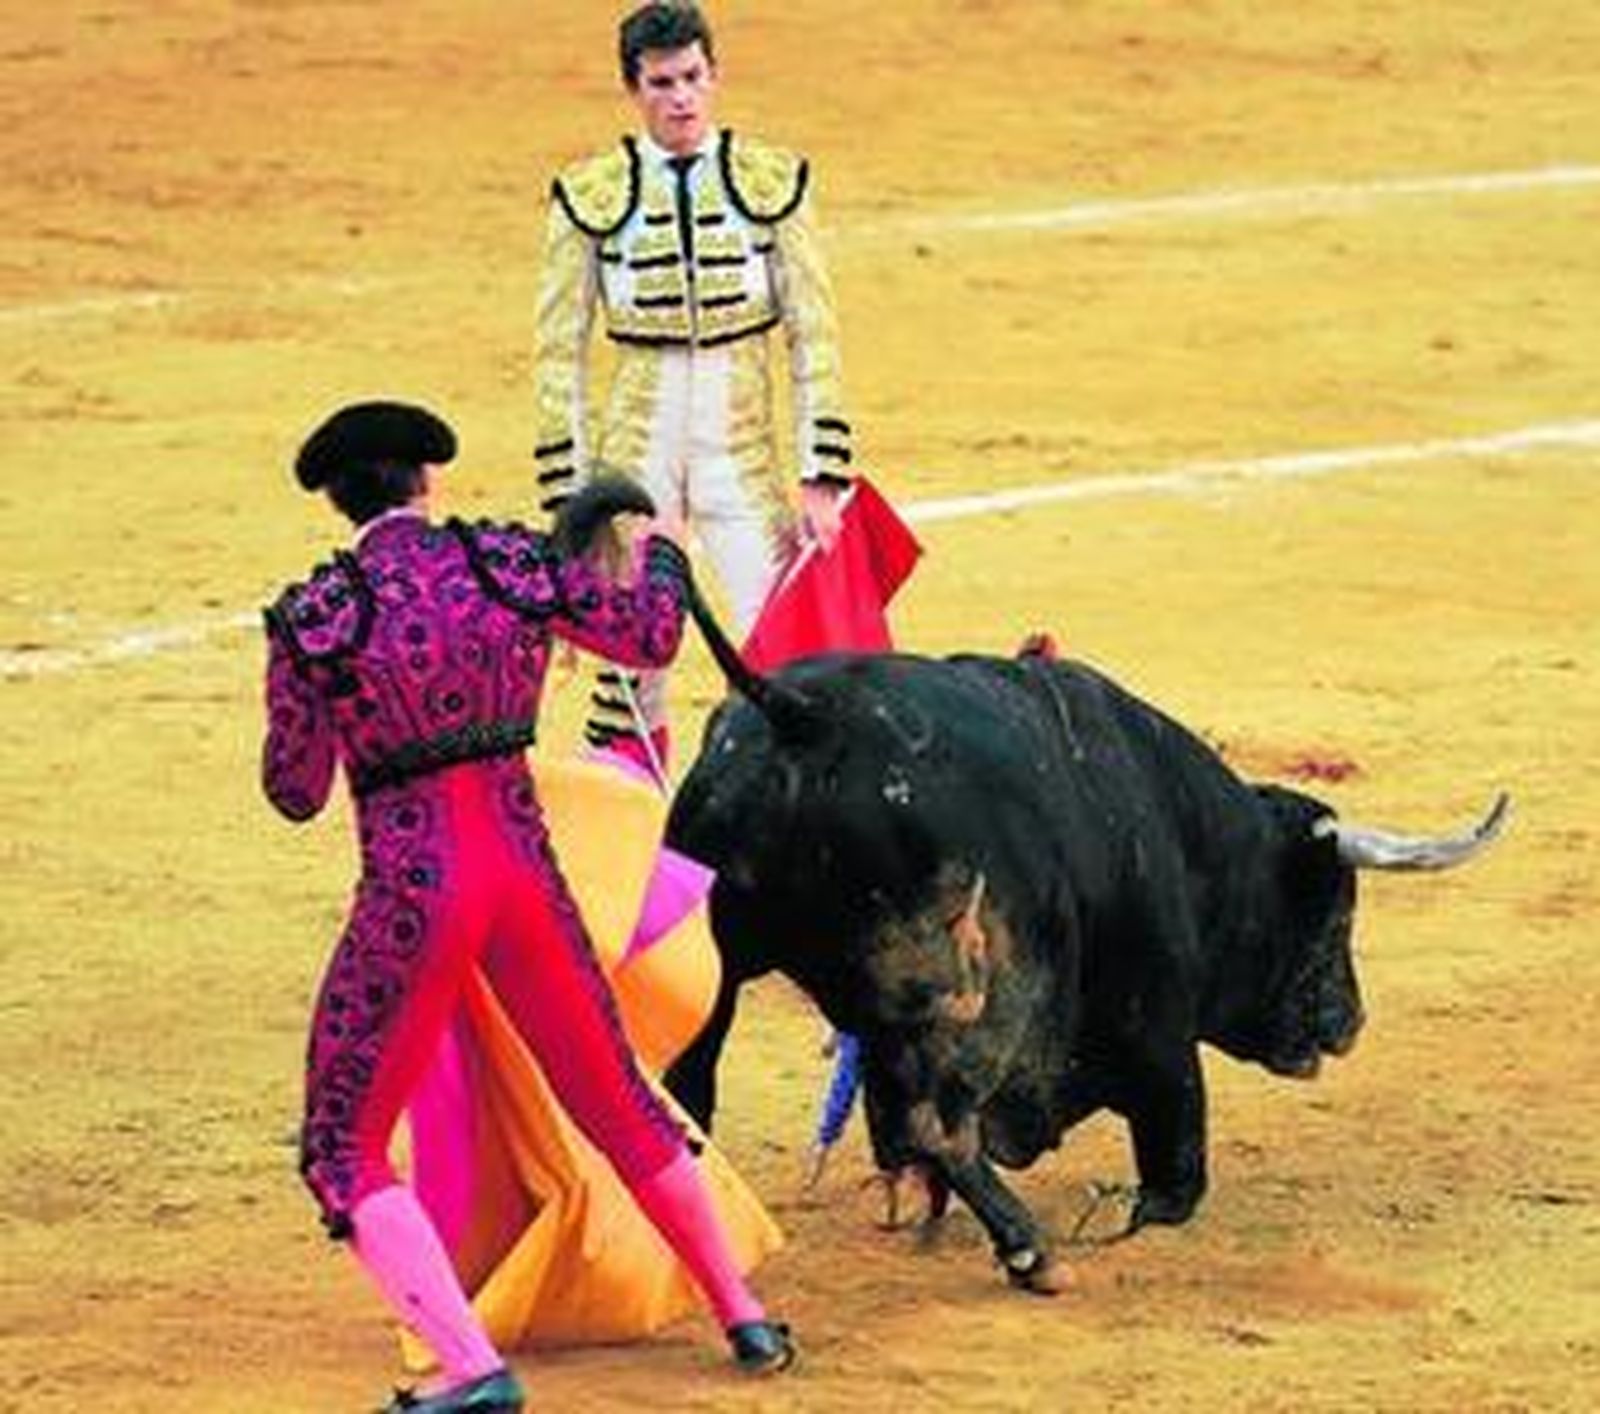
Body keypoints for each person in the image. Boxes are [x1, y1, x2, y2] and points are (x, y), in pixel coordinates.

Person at [260, 400, 796, 1414]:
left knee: (341, 1146)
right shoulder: (504, 561)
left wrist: (326, 696)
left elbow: (293, 790)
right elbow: (650, 636)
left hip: (413, 898)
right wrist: (663, 549)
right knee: (615, 1097)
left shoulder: (316, 617)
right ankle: (743, 1313)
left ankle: (473, 1368)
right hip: (524, 880)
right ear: (427, 481)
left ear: (337, 501)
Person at [533, 0, 853, 776]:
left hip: (740, 447)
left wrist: (821, 474)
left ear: (714, 76)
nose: (680, 97)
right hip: (635, 451)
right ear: (633, 89)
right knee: (628, 663)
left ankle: (792, 813)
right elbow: (557, 351)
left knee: (780, 645)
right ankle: (636, 827)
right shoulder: (588, 196)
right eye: (661, 83)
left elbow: (814, 331)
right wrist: (572, 499)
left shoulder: (773, 183)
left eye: (691, 77)